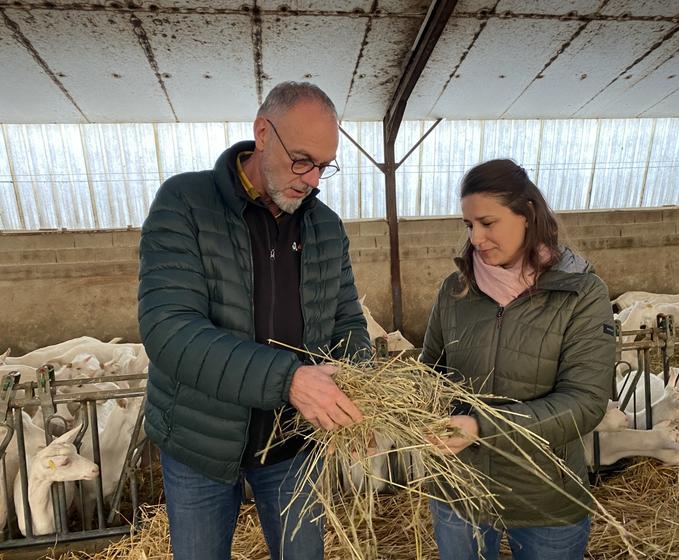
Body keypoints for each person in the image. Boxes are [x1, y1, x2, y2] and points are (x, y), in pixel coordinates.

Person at [138, 82, 370, 560]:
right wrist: (289, 380)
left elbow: (348, 321)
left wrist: (360, 391)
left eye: (324, 166)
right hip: (201, 443)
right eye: (302, 159)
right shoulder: (185, 203)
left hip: (292, 444)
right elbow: (170, 330)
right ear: (263, 133)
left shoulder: (325, 226)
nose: (312, 180)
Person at [420, 160, 615, 560]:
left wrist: (481, 426)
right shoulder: (455, 291)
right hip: (461, 490)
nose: (476, 238)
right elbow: (431, 373)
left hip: (546, 496)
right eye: (468, 225)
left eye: (487, 222)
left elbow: (585, 401)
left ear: (526, 215)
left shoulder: (581, 293)